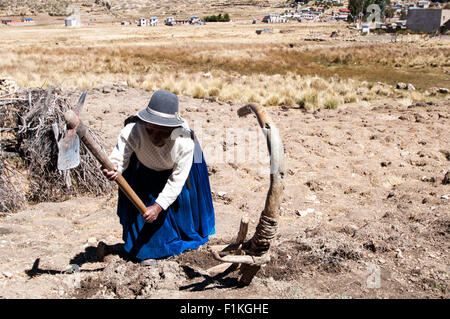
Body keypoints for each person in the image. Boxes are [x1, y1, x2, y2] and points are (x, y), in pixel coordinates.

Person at [102, 90, 215, 264]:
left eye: (163, 132)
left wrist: (157, 206)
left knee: (179, 215)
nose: (155, 137)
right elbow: (120, 156)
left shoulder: (185, 141)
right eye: (151, 130)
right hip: (144, 166)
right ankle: (144, 250)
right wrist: (114, 167)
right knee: (140, 215)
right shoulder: (134, 129)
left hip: (178, 169)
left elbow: (177, 180)